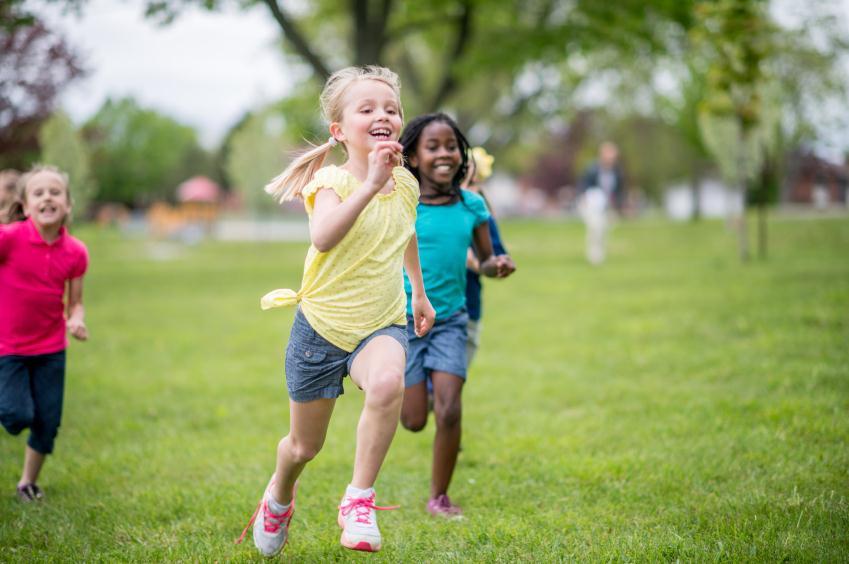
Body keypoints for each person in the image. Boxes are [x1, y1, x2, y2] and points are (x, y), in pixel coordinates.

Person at [237, 66, 435, 557]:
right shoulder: (331, 182)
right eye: (366, 109)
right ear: (340, 131)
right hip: (320, 330)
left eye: (390, 109)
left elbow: (403, 231)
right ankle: (279, 496)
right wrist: (369, 184)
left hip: (381, 321)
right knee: (304, 447)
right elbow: (324, 236)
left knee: (389, 382)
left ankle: (359, 500)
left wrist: (420, 291)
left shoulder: (406, 184)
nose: (382, 116)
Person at [398, 113, 511, 518]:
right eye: (433, 147)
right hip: (404, 324)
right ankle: (416, 391)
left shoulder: (472, 205)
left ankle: (439, 497)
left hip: (451, 321)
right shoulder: (401, 203)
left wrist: (496, 266)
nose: (445, 154)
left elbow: (483, 261)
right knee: (413, 420)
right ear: (411, 156)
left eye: (451, 146)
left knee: (449, 409)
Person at [0, 165, 89, 502]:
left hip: (51, 349)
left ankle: (27, 483)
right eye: (38, 192)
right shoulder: (8, 239)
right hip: (9, 348)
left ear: (68, 204)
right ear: (25, 205)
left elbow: (76, 302)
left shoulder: (76, 252)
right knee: (15, 416)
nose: (47, 197)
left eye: (55, 192)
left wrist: (76, 319)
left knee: (47, 423)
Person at [462, 147, 516, 367]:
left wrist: (495, 264)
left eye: (472, 183)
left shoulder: (482, 216)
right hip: (421, 312)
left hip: (467, 310)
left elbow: (496, 258)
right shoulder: (426, 210)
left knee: (445, 389)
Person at [579, 141, 624, 265]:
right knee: (595, 228)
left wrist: (617, 206)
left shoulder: (617, 172)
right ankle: (594, 256)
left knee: (603, 230)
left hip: (607, 206)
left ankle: (600, 253)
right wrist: (584, 199)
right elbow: (583, 185)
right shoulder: (592, 169)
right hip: (591, 204)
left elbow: (619, 191)